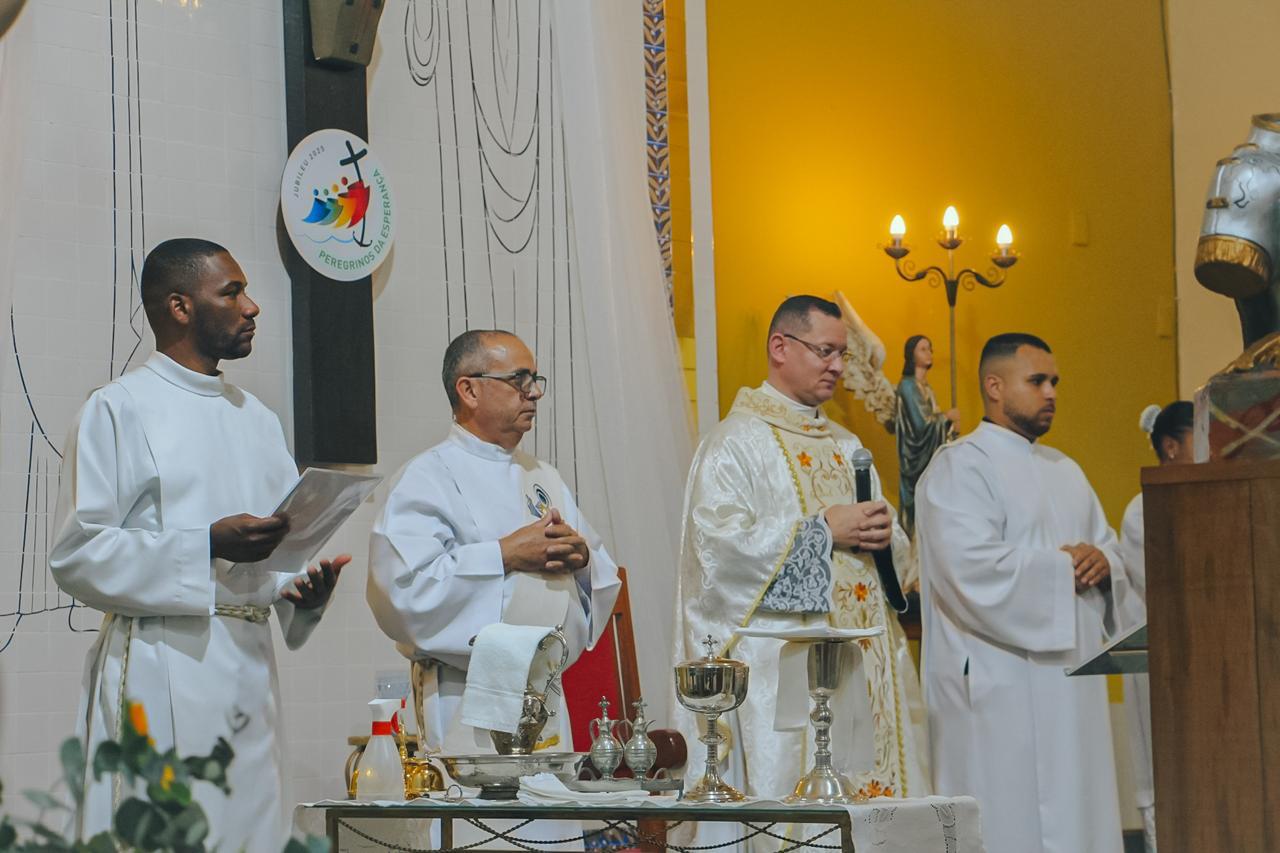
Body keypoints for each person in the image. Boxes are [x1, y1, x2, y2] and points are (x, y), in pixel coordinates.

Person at [49, 238, 348, 850]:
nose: (252, 307)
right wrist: (205, 543)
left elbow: (272, 556)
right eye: (232, 293)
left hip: (248, 669)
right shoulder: (119, 409)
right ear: (180, 307)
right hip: (161, 665)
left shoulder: (257, 418)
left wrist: (300, 594)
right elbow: (77, 555)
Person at [671, 295, 929, 804]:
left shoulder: (846, 445)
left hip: (867, 662)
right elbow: (717, 557)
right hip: (786, 669)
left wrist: (885, 537)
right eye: (825, 351)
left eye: (842, 354)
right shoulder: (734, 443)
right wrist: (821, 531)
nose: (838, 367)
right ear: (780, 347)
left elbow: (896, 560)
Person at [916, 332, 1123, 853]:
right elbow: (968, 568)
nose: (1051, 392)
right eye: (1037, 381)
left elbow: (1109, 549)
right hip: (998, 681)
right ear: (994, 386)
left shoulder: (1067, 470)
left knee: (1077, 811)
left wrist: (1106, 564)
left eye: (1054, 382)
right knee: (1006, 821)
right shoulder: (959, 466)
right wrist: (1063, 568)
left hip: (1072, 683)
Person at [367, 329, 621, 753]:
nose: (534, 393)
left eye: (535, 380)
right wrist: (504, 555)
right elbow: (402, 592)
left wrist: (582, 561)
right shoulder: (426, 478)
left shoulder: (544, 477)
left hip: (545, 695)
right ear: (468, 390)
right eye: (519, 380)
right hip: (462, 695)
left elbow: (602, 577)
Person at [1119, 400, 1193, 853]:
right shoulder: (1141, 509)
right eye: (1200, 437)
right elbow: (1167, 581)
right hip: (1161, 661)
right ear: (1170, 446)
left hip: (1207, 660)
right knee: (1167, 775)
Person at [894, 335, 958, 538]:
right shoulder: (907, 386)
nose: (929, 352)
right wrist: (946, 418)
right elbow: (921, 424)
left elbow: (933, 420)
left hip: (930, 456)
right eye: (923, 349)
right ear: (911, 354)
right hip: (915, 457)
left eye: (930, 348)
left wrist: (949, 428)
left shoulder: (926, 388)